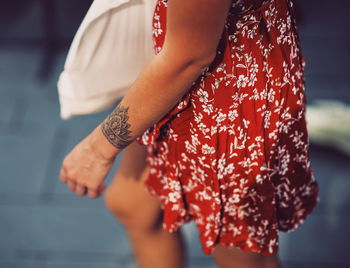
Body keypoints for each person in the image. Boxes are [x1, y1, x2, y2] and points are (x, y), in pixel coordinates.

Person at [59, 0, 320, 267]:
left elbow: (189, 57)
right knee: (134, 206)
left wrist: (97, 149)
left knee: (238, 252)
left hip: (230, 101)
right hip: (184, 82)